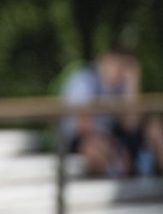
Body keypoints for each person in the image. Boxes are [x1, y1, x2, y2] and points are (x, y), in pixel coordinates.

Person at [61, 45, 161, 178]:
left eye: (126, 67)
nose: (121, 71)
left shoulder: (119, 86)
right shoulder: (83, 80)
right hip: (80, 139)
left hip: (109, 137)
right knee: (97, 150)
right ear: (106, 60)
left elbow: (131, 125)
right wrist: (115, 147)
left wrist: (133, 83)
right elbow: (83, 127)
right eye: (119, 64)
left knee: (156, 129)